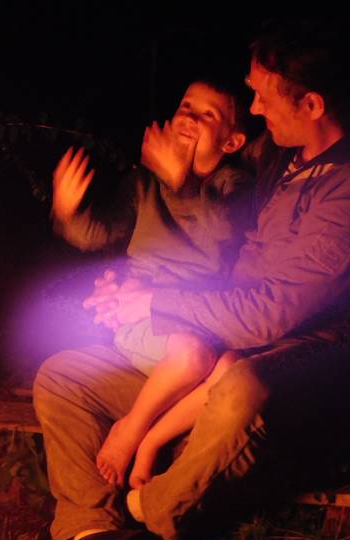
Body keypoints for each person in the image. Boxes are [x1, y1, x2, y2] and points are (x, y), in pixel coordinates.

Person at [33, 22, 350, 540]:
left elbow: (271, 314)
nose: (255, 107)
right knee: (65, 375)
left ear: (311, 104)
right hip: (217, 334)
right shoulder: (282, 158)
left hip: (295, 349)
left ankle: (153, 524)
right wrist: (125, 276)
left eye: (263, 97)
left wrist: (154, 299)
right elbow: (186, 235)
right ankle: (90, 528)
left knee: (239, 385)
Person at [51, 79, 252, 489]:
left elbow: (223, 237)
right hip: (147, 319)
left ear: (231, 142)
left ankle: (146, 437)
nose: (189, 116)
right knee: (192, 355)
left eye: (207, 114)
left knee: (234, 369)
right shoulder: (144, 184)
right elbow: (98, 233)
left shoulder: (235, 187)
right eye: (186, 105)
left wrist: (183, 184)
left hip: (209, 318)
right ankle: (132, 430)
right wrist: (67, 210)